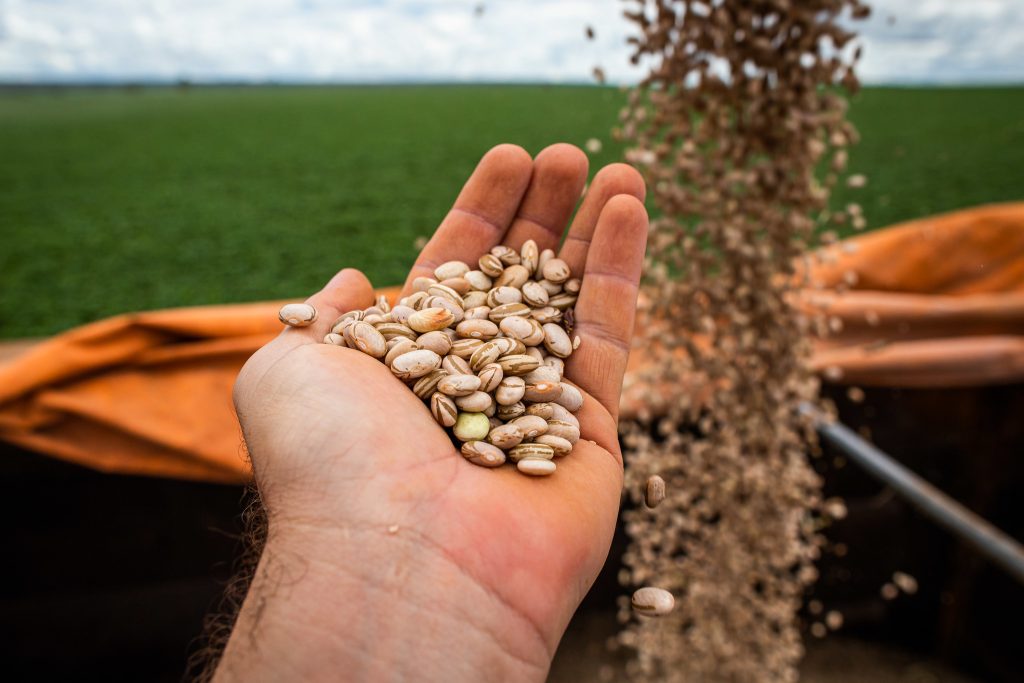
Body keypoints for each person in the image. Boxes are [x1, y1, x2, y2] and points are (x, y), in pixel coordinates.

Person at [214, 143, 648, 681]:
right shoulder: (440, 354)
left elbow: (497, 374)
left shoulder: (508, 360)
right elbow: (472, 372)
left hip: (503, 397)